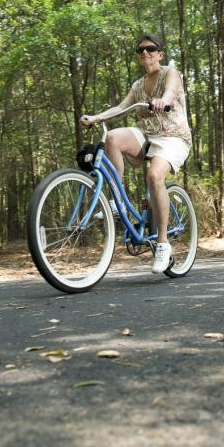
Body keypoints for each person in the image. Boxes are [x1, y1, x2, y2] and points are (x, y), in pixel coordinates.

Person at [80, 34, 192, 274]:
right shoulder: (138, 85)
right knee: (112, 138)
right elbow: (121, 108)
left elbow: (171, 92)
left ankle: (163, 243)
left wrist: (163, 100)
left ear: (160, 53)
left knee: (154, 177)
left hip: (173, 138)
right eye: (140, 50)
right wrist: (96, 118)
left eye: (151, 49)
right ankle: (116, 200)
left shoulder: (170, 72)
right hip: (147, 135)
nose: (145, 53)